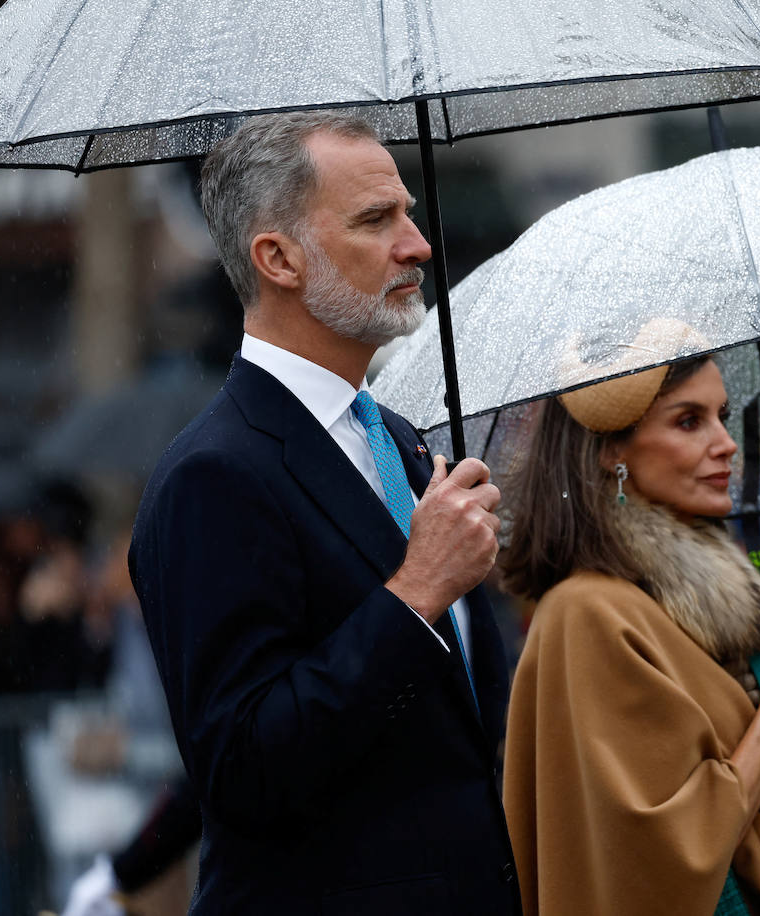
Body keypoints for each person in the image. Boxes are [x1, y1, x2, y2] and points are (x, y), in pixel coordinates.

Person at [129, 112, 518, 914]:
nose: (417, 245)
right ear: (278, 258)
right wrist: (415, 595)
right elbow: (242, 770)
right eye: (377, 220)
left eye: (408, 213)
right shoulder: (214, 475)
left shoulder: (405, 443)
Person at [498, 346, 760, 916]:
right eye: (690, 421)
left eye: (722, 413)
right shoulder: (587, 613)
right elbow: (662, 853)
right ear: (609, 451)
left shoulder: (687, 603)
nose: (726, 442)